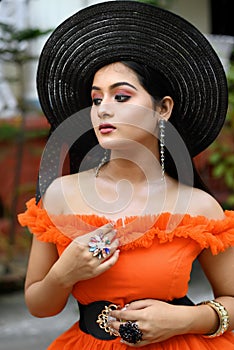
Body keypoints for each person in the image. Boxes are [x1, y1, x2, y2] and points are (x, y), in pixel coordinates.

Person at [18, 1, 234, 349]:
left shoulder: (198, 206)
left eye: (121, 96)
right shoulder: (61, 195)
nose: (103, 108)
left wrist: (187, 319)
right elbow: (39, 306)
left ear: (163, 108)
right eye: (95, 98)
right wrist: (64, 273)